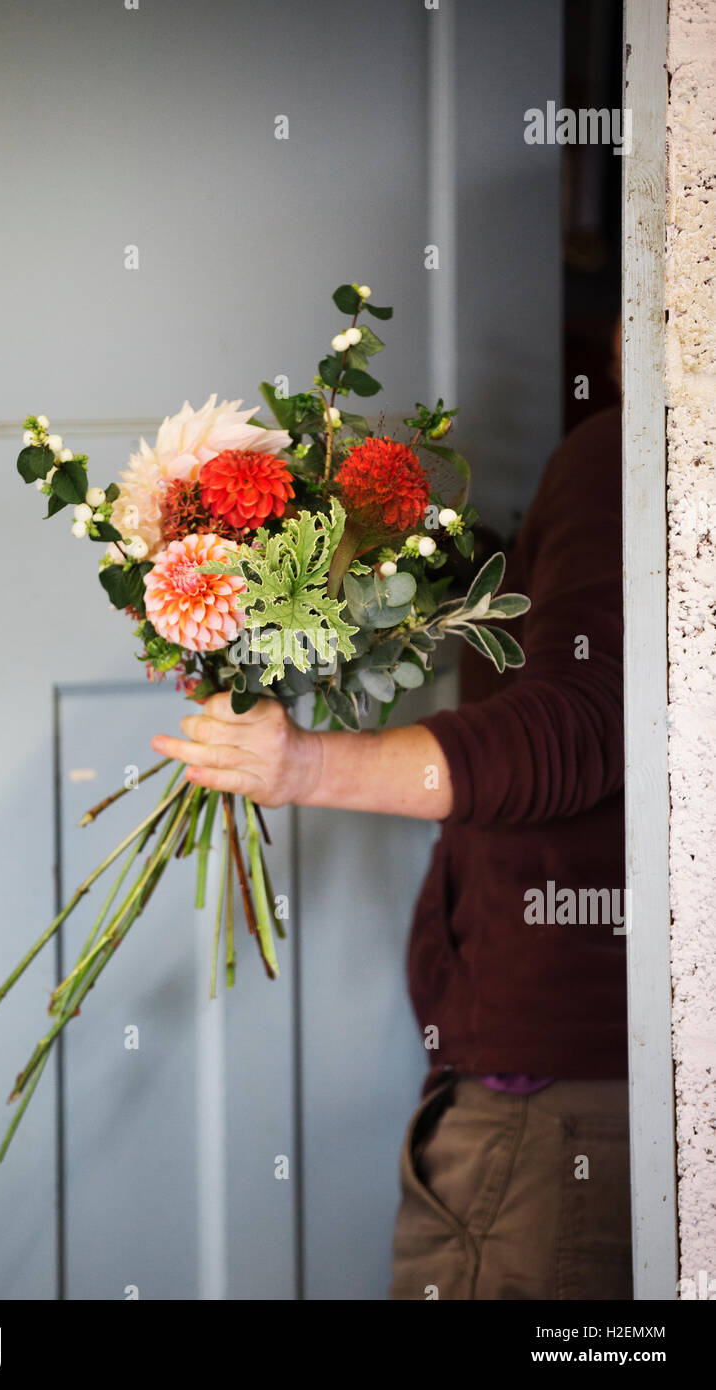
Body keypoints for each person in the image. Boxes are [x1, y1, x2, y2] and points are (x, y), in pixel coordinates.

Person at [151, 402, 631, 1301]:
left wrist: (302, 765)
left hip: (559, 1102)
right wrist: (360, 545)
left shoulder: (628, 447)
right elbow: (569, 632)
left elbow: (584, 725)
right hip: (604, 1078)